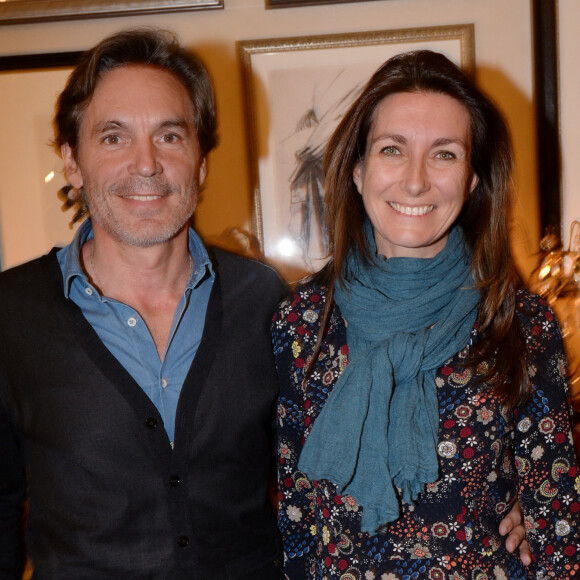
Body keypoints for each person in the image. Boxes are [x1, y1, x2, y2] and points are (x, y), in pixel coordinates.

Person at [272, 50, 580, 579]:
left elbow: (555, 520)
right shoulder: (301, 318)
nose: (415, 181)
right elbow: (297, 513)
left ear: (474, 179)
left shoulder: (521, 321)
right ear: (358, 168)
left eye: (444, 154)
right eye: (392, 149)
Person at [0, 28, 286, 579]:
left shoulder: (265, 301)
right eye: (113, 137)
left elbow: (319, 474)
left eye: (171, 136)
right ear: (73, 163)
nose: (147, 164)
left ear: (200, 162)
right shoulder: (9, 315)